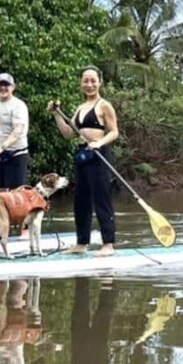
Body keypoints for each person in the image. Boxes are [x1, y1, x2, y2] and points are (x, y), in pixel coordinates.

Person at [50, 66, 119, 256]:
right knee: (81, 201)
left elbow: (114, 132)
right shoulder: (80, 108)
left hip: (99, 155)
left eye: (93, 81)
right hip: (82, 155)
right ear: (81, 83)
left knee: (101, 199)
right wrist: (56, 114)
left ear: (100, 82)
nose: (89, 84)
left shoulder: (104, 105)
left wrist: (99, 143)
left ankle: (108, 244)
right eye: (85, 81)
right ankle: (81, 242)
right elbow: (68, 133)